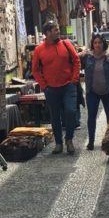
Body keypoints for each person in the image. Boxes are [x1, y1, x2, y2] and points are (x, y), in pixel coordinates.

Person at [31, 21, 81, 154]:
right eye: (55, 30)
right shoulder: (39, 50)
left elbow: (76, 60)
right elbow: (35, 70)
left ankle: (69, 139)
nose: (58, 31)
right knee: (55, 116)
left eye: (58, 29)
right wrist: (44, 85)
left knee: (70, 112)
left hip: (68, 86)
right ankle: (58, 143)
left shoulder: (66, 44)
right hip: (51, 89)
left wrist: (74, 79)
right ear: (47, 33)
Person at [81, 32, 109, 150]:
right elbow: (75, 62)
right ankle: (91, 141)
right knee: (91, 116)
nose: (97, 45)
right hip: (92, 91)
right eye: (95, 42)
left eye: (99, 42)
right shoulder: (88, 57)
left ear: (103, 44)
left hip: (108, 91)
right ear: (92, 44)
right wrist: (81, 53)